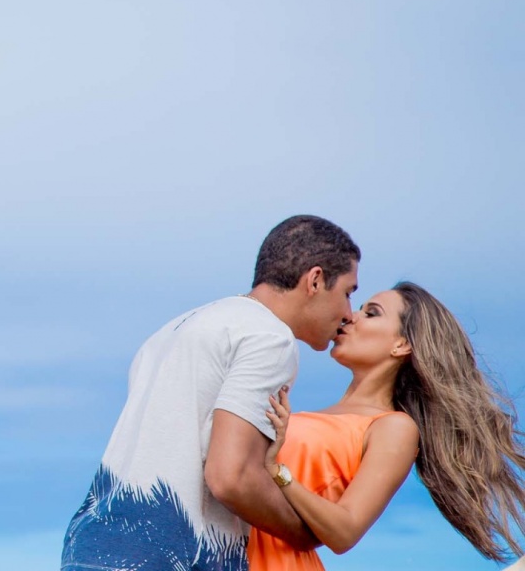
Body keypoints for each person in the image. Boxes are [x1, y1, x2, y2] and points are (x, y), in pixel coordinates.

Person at [61, 215, 360, 571]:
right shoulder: (268, 337)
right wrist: (305, 533)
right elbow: (230, 477)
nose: (348, 314)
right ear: (315, 280)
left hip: (90, 545)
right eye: (347, 293)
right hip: (165, 557)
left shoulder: (173, 331)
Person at [249, 282, 525, 570]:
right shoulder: (315, 413)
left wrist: (278, 473)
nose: (350, 316)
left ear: (401, 344)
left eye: (371, 313)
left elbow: (345, 531)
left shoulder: (394, 427)